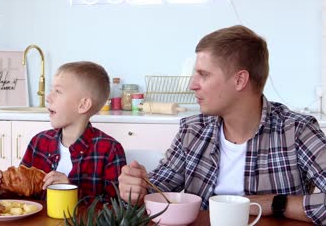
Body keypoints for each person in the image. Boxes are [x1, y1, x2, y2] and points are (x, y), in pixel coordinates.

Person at [118, 25, 325, 225]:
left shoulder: (297, 130)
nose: (192, 84)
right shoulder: (193, 131)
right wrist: (137, 190)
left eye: (204, 74)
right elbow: (155, 191)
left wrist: (275, 203)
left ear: (240, 80)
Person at [0, 61, 127, 202]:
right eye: (51, 90)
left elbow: (116, 210)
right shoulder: (39, 142)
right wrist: (2, 190)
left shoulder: (110, 150)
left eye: (58, 91)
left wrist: (71, 192)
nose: (48, 98)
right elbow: (21, 196)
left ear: (83, 105)